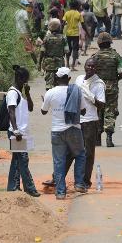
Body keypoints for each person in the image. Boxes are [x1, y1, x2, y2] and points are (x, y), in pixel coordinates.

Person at [41, 67, 88, 200]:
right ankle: (79, 183)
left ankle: (61, 192)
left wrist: (44, 101)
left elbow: (43, 111)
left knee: (58, 161)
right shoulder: (76, 91)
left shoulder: (50, 92)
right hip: (73, 129)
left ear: (56, 78)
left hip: (57, 131)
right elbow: (83, 111)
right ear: (68, 79)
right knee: (80, 155)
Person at [71, 58, 105, 186]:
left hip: (90, 121)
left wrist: (90, 96)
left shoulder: (99, 84)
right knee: (73, 150)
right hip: (76, 119)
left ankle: (85, 180)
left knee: (88, 152)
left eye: (93, 66)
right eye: (88, 65)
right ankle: (75, 178)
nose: (90, 68)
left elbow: (101, 105)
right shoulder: (79, 79)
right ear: (84, 66)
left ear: (96, 68)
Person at [6, 65, 39, 197]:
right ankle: (30, 188)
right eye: (25, 80)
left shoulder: (21, 93)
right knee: (23, 160)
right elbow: (11, 111)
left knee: (17, 160)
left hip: (22, 132)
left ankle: (13, 187)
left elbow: (30, 108)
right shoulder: (13, 93)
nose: (26, 83)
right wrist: (15, 130)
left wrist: (28, 93)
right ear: (20, 78)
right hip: (16, 132)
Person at [91, 32, 122, 147]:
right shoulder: (116, 56)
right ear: (110, 43)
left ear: (99, 44)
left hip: (97, 88)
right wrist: (115, 79)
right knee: (110, 111)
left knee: (98, 111)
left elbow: (90, 74)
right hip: (112, 88)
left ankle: (97, 138)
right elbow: (121, 72)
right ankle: (109, 137)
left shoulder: (94, 57)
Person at [40, 19, 68, 90]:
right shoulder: (63, 38)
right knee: (59, 82)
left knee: (49, 83)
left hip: (48, 63)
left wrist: (40, 63)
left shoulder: (46, 38)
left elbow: (42, 51)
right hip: (60, 62)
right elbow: (67, 51)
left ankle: (49, 97)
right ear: (59, 27)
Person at [62, 0, 84, 70]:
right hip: (75, 34)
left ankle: (67, 64)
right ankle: (72, 66)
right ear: (77, 6)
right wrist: (88, 33)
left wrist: (61, 31)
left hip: (68, 33)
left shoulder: (67, 13)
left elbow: (63, 22)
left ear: (70, 6)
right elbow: (83, 24)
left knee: (68, 49)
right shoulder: (78, 14)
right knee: (75, 49)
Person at [15, 0, 38, 64]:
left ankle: (22, 63)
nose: (26, 6)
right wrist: (30, 34)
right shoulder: (24, 12)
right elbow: (27, 24)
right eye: (25, 5)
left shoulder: (16, 12)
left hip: (18, 32)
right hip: (24, 32)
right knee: (30, 49)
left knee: (21, 49)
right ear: (22, 5)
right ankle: (36, 64)